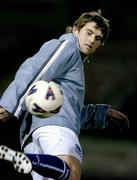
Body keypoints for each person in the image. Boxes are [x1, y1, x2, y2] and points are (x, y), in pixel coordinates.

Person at [0, 9, 129, 180]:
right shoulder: (68, 46)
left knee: (65, 175)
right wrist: (9, 105)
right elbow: (35, 70)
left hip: (32, 136)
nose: (91, 40)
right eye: (88, 33)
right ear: (76, 30)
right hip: (55, 127)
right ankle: (30, 161)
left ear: (101, 44)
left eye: (97, 38)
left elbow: (70, 109)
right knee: (72, 172)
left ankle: (31, 160)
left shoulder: (74, 65)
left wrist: (101, 114)